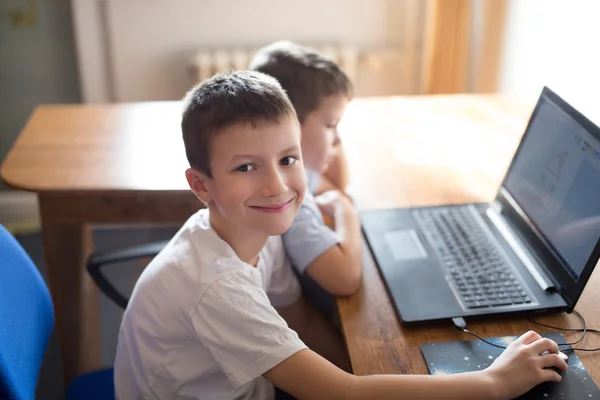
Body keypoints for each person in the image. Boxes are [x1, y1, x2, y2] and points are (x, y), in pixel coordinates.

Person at [114, 70, 567, 400]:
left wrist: (362, 370)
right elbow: (341, 393)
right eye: (246, 167)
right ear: (202, 185)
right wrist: (492, 382)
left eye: (288, 159)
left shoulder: (255, 227)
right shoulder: (216, 286)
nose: (276, 185)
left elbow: (300, 319)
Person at [249, 41, 362, 318]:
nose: (339, 140)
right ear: (291, 126)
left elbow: (337, 183)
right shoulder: (284, 198)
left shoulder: (300, 168)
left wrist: (330, 136)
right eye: (331, 125)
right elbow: (345, 279)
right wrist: (346, 211)